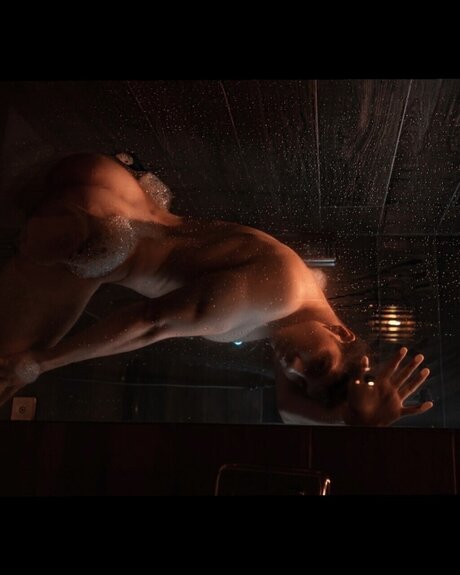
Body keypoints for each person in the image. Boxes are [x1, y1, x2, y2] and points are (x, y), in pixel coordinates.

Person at [0, 153, 433, 425]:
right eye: (318, 363)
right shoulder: (281, 294)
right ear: (341, 332)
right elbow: (151, 322)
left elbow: (289, 410)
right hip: (98, 229)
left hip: (113, 204)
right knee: (8, 365)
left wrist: (355, 417)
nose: (295, 366)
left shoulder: (290, 314)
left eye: (303, 378)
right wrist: (41, 364)